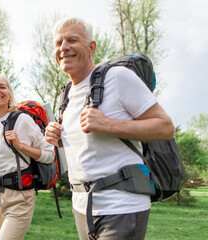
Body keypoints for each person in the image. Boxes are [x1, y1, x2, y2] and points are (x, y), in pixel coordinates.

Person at [45, 17, 175, 240]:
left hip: (121, 204)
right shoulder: (65, 93)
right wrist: (59, 138)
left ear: (91, 47)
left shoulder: (118, 77)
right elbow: (91, 149)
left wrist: (109, 125)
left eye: (72, 40)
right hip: (82, 208)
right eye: (58, 43)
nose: (64, 48)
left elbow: (165, 126)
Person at [0, 74, 55, 240]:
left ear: (9, 94)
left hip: (19, 196)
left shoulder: (22, 120)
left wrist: (21, 146)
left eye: (2, 87)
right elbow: (4, 160)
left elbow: (49, 154)